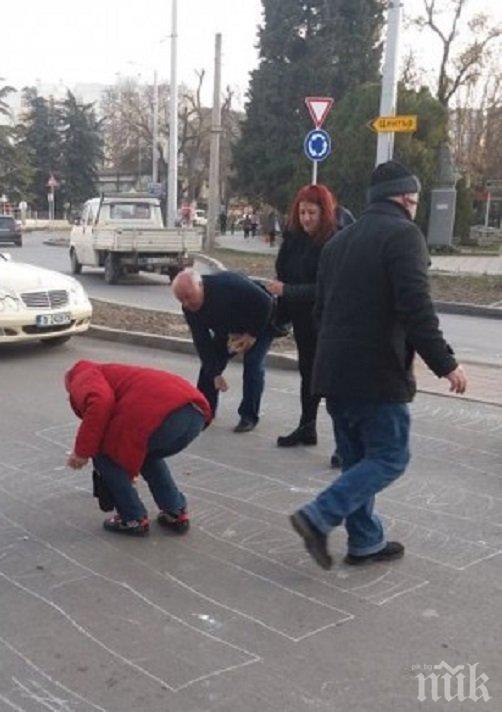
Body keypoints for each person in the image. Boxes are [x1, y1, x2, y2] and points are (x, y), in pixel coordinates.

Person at [290, 161, 468, 570]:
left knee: (357, 463)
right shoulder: (404, 235)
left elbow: (320, 311)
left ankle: (366, 542)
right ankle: (318, 516)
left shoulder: (339, 241)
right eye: (416, 198)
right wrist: (446, 364)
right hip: (377, 374)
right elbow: (416, 309)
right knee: (389, 457)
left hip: (333, 373)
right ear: (407, 197)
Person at [65, 360, 212, 536]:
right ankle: (175, 511)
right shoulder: (113, 372)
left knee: (105, 456)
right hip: (195, 414)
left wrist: (82, 451)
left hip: (161, 415)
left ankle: (132, 518)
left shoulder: (81, 374)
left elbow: (99, 402)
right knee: (146, 455)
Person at [266, 184, 340, 454]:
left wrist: (287, 290)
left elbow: (327, 287)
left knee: (331, 381)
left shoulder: (334, 241)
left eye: (312, 212)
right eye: (302, 212)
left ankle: (344, 442)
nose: (306, 218)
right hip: (302, 321)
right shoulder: (293, 239)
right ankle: (307, 426)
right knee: (307, 374)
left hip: (329, 323)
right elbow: (283, 272)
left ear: (325, 212)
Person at [172, 268, 274, 432]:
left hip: (260, 321)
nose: (187, 303)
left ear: (200, 285)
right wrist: (216, 374)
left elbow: (266, 303)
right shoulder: (189, 309)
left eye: (189, 297)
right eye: (181, 300)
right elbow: (202, 341)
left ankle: (248, 416)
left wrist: (252, 335)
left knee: (253, 364)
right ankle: (205, 411)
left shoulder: (227, 285)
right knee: (209, 367)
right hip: (228, 329)